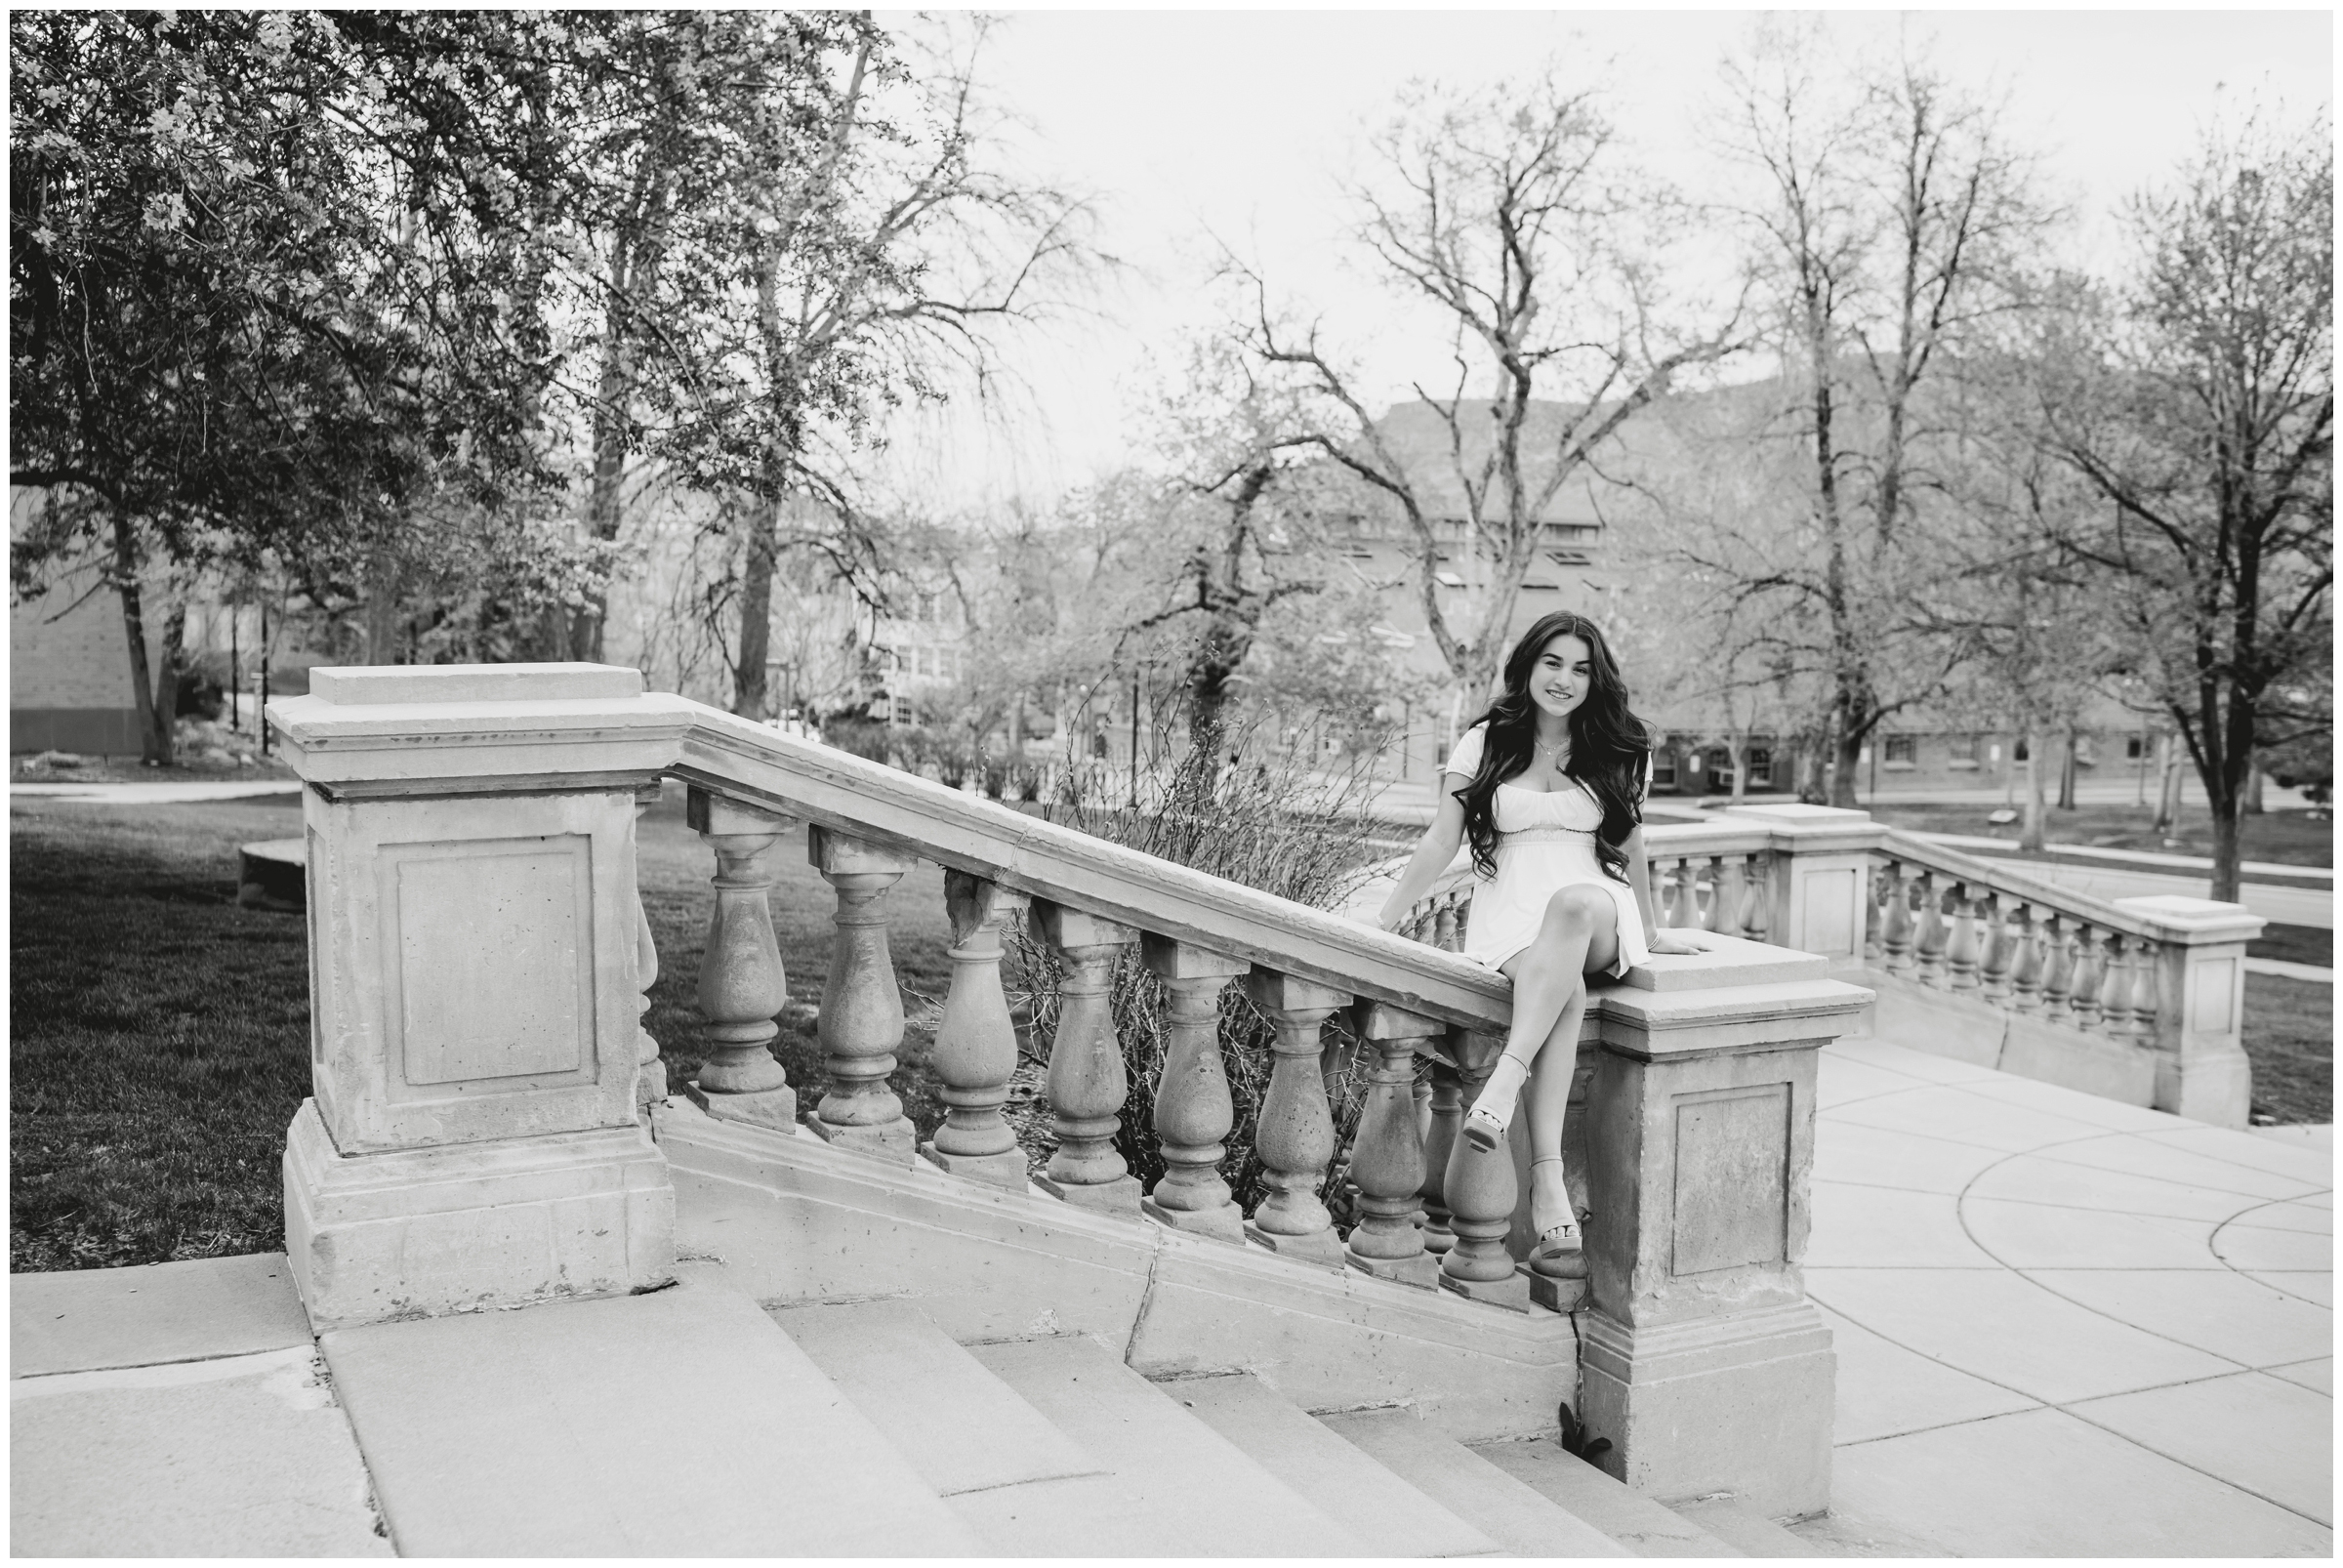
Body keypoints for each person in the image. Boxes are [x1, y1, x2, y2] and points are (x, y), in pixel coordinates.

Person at [1376, 611, 1699, 1271]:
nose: (1565, 679)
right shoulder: (1484, 743)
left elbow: (1632, 843)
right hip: (1512, 916)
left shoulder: (1619, 746)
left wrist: (1652, 929)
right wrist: (1384, 920)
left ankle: (1504, 1083)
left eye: (1581, 668)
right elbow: (1442, 839)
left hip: (1595, 907)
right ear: (1528, 665)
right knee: (1564, 992)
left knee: (1573, 905)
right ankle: (1547, 1177)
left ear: (1595, 679)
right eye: (1553, 662)